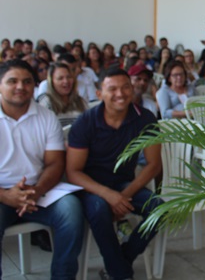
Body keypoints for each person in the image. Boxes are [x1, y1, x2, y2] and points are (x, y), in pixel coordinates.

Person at [66, 68, 162, 280]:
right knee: (100, 209)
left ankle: (121, 261)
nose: (121, 93)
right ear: (99, 93)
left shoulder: (144, 118)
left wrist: (124, 195)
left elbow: (153, 165)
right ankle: (121, 273)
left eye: (125, 87)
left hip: (124, 184)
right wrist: (109, 196)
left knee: (159, 208)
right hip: (91, 187)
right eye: (112, 89)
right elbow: (73, 172)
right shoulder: (86, 122)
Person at [0, 60, 84, 279]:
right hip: (1, 193)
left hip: (40, 190)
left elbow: (55, 163)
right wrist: (6, 195)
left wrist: (36, 191)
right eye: (12, 81)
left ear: (35, 86)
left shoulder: (46, 117)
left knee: (71, 211)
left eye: (27, 82)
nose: (20, 86)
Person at [38, 62, 88, 128]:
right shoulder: (46, 101)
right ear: (51, 82)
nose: (66, 81)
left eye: (69, 77)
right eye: (60, 78)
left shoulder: (80, 101)